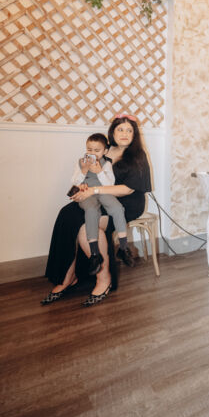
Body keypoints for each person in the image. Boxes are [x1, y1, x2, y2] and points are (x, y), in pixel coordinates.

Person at [42, 114, 152, 307]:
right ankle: (68, 275)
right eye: (120, 129)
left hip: (127, 202)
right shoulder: (104, 150)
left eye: (129, 130)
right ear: (112, 132)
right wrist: (82, 189)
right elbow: (89, 177)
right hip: (99, 197)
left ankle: (104, 278)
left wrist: (94, 190)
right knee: (67, 214)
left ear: (134, 134)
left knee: (86, 225)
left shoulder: (137, 156)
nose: (124, 133)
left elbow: (127, 189)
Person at [71, 132, 134, 275]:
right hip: (87, 193)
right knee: (91, 211)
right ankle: (94, 254)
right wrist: (84, 170)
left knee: (117, 208)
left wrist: (99, 171)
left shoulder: (107, 163)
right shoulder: (81, 162)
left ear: (105, 151)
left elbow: (110, 184)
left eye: (97, 150)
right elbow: (74, 181)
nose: (92, 153)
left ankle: (123, 247)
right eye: (89, 150)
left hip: (103, 191)